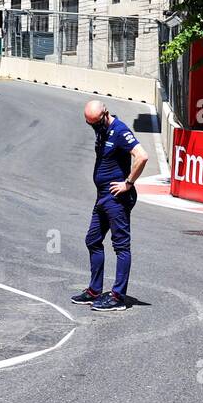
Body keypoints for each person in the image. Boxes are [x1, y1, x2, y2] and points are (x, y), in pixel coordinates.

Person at [73, 99, 149, 311]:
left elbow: (142, 156)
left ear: (105, 114)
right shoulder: (101, 129)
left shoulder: (119, 130)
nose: (94, 127)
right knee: (93, 239)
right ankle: (94, 290)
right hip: (102, 197)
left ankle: (117, 297)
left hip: (117, 198)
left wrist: (128, 183)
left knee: (121, 246)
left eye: (96, 122)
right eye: (90, 124)